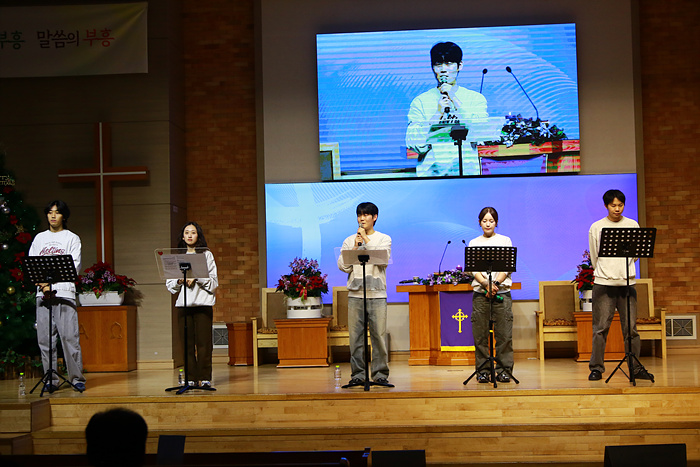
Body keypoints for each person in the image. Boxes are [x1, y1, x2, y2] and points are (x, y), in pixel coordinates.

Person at [588, 189, 653, 381]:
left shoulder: (632, 225)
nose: (617, 209)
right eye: (613, 205)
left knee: (631, 329)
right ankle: (596, 368)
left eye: (620, 205)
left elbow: (636, 255)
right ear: (606, 206)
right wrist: (605, 271)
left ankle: (635, 367)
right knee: (600, 328)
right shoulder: (597, 227)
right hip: (603, 284)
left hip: (627, 284)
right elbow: (594, 257)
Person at [406, 41, 489, 177]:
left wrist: (454, 99)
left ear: (460, 66)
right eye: (438, 64)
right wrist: (437, 114)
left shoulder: (475, 99)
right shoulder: (420, 101)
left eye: (449, 63)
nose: (443, 69)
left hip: (468, 174)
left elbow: (482, 134)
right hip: (432, 176)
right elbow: (415, 144)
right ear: (433, 67)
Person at [29, 200, 86, 392]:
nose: (53, 216)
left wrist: (52, 284)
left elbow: (74, 267)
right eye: (50, 212)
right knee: (45, 340)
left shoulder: (72, 238)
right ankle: (50, 379)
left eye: (57, 212)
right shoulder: (39, 238)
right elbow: (32, 266)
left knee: (70, 338)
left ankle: (76, 378)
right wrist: (44, 286)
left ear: (64, 216)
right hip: (43, 295)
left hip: (64, 294)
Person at [337, 202, 392, 386]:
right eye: (359, 215)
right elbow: (343, 266)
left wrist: (366, 239)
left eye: (366, 215)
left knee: (378, 336)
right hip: (356, 294)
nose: (362, 218)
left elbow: (383, 260)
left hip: (377, 294)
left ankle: (380, 374)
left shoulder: (384, 238)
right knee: (356, 338)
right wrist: (355, 247)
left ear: (374, 217)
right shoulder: (349, 240)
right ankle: (358, 375)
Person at [166, 222, 218, 387]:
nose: (189, 235)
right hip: (184, 305)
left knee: (204, 344)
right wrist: (179, 280)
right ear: (182, 236)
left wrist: (197, 277)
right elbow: (170, 286)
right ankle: (190, 378)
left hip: (203, 304)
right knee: (186, 344)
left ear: (198, 235)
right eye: (186, 232)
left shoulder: (206, 255)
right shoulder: (177, 256)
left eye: (193, 232)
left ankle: (204, 378)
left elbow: (214, 282)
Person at [468, 207, 514, 383]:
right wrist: (486, 284)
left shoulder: (505, 240)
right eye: (485, 221)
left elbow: (507, 267)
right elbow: (474, 269)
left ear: (496, 223)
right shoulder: (474, 243)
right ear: (479, 222)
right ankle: (483, 371)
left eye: (491, 221)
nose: (488, 224)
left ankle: (504, 370)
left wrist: (495, 284)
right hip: (481, 294)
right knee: (480, 336)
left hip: (502, 293)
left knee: (504, 335)